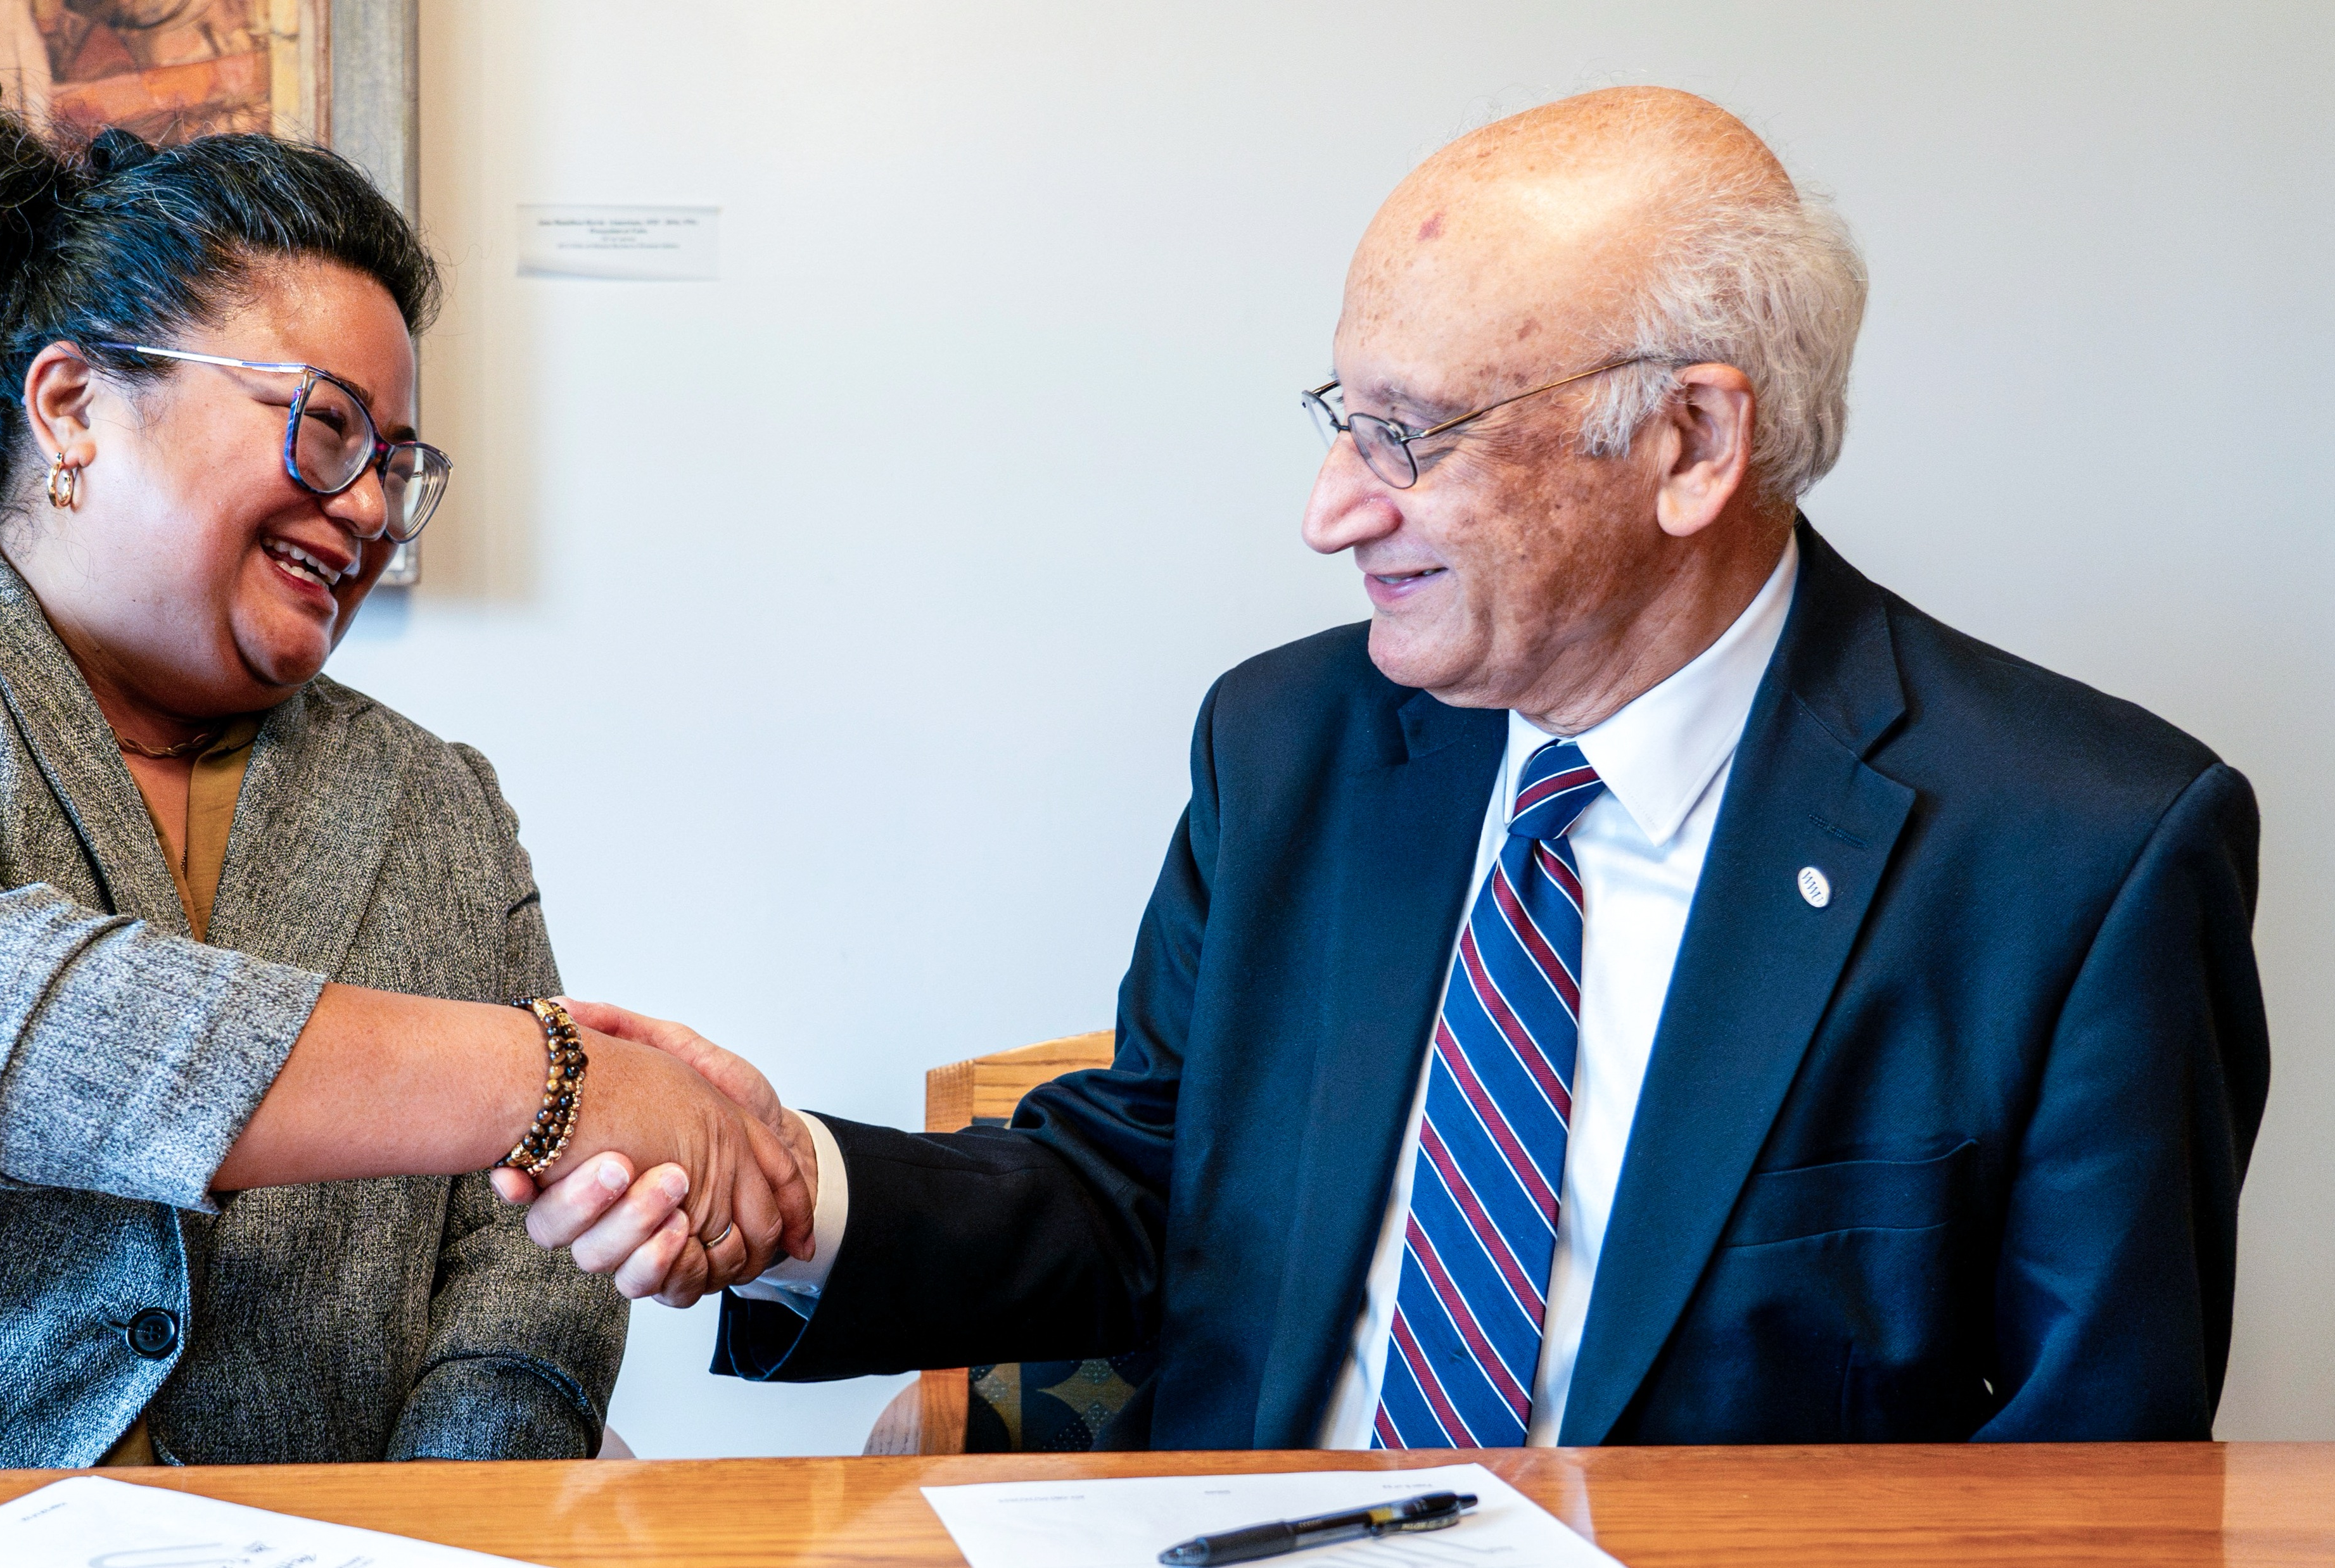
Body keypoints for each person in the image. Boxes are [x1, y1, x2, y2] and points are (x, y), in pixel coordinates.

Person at [529, 86, 2269, 1448]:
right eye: (1338, 419)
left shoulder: (2082, 853)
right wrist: (792, 1185)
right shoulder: (1288, 744)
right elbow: (1138, 1197)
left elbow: (2091, 1470)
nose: (1329, 511)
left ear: (1690, 439)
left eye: (1408, 436)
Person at [0, 94, 805, 1477]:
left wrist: (442, 1520)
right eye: (325, 427)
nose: (371, 508)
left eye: (395, 464)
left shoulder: (434, 803)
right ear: (72, 407)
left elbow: (522, 1271)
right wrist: (548, 1079)